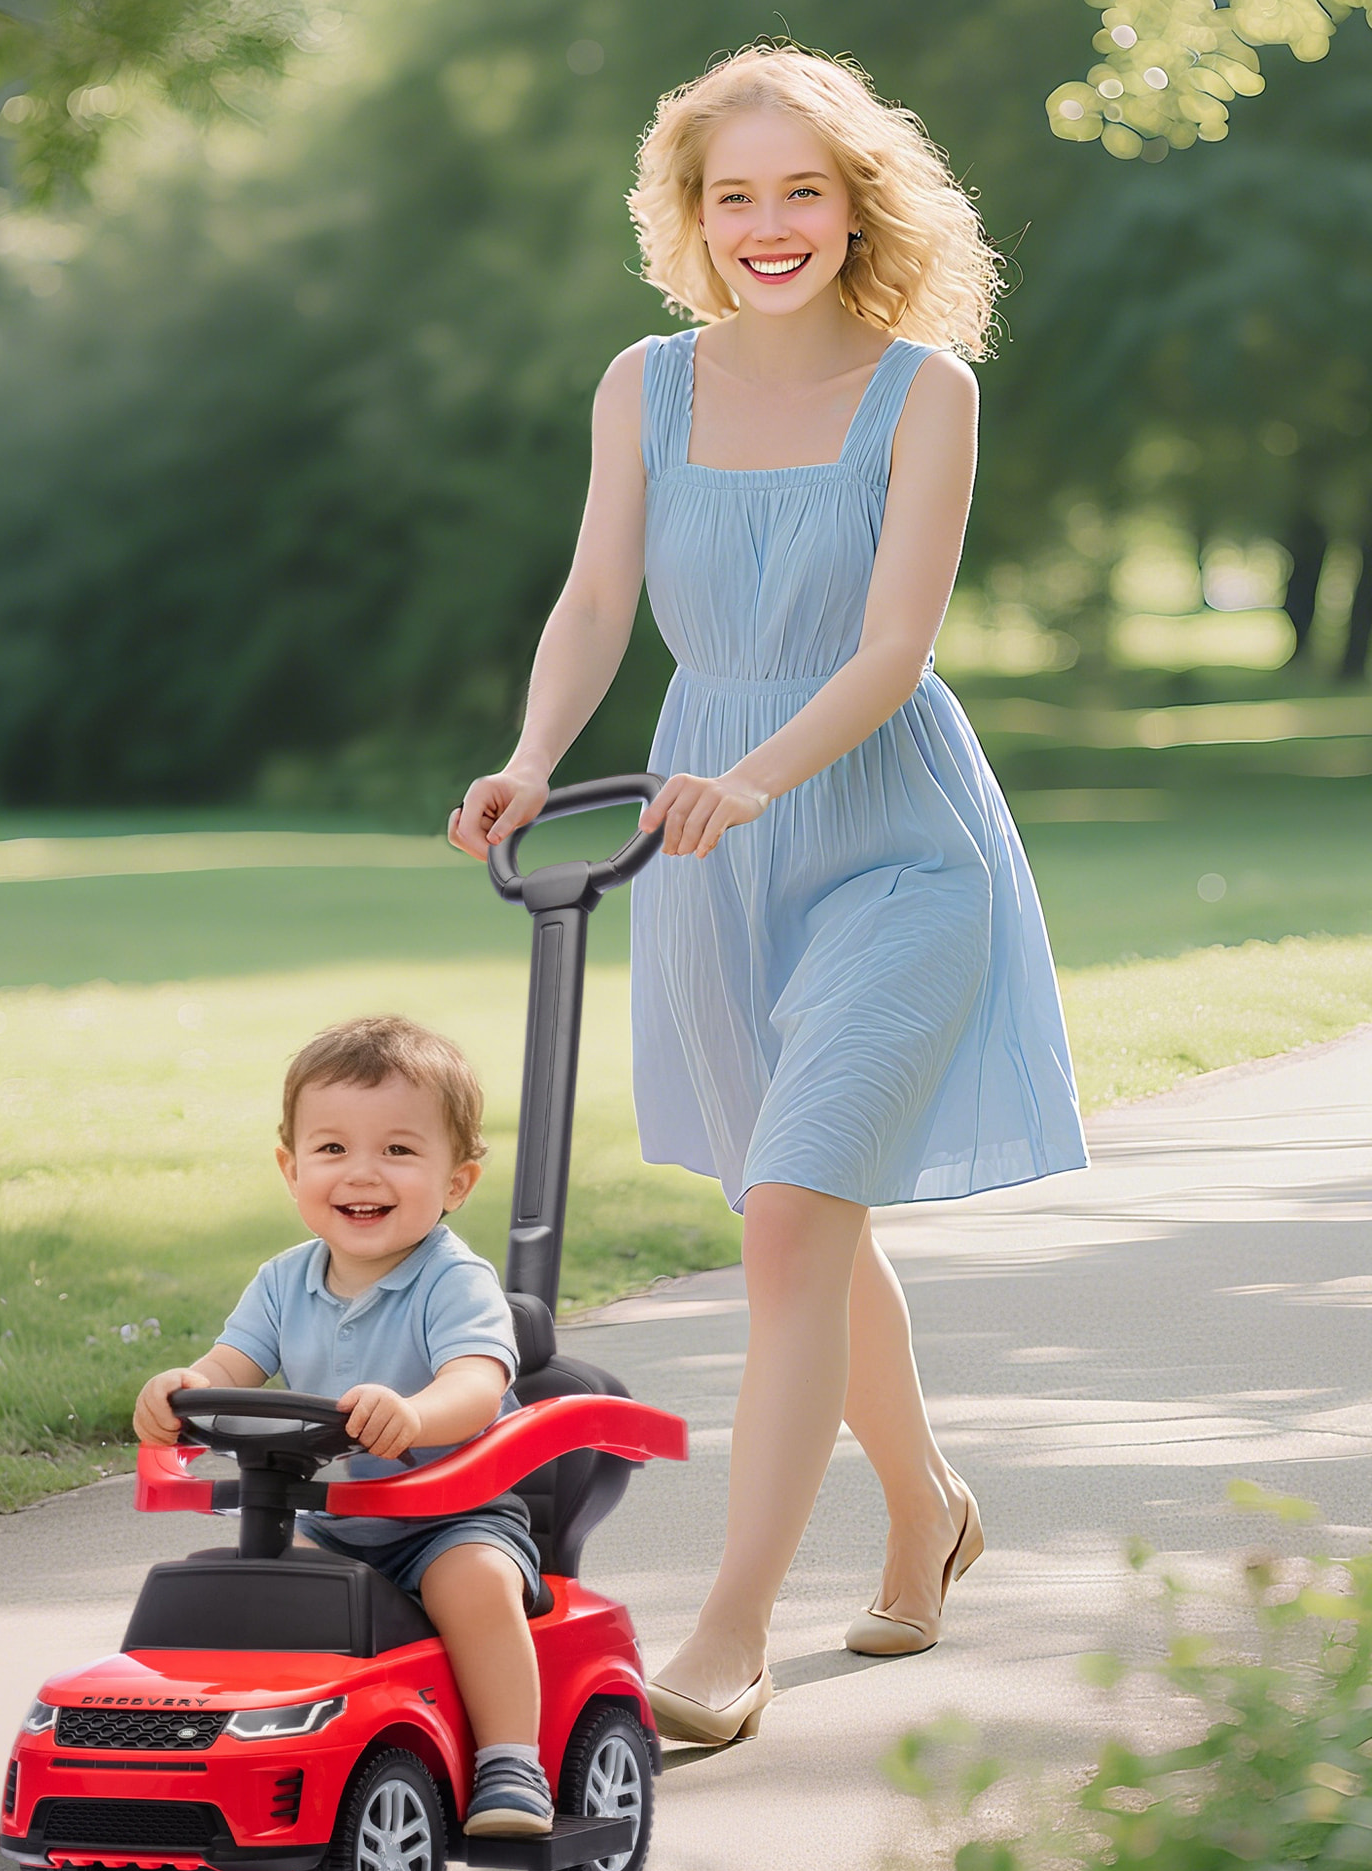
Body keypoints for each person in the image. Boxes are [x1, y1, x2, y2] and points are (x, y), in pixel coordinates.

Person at [449, 43, 1087, 1747]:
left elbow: (895, 649)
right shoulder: (647, 384)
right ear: (693, 216)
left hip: (886, 837)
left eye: (800, 188)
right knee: (796, 1217)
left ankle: (730, 1636)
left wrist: (758, 775)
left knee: (799, 1211)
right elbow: (594, 600)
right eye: (734, 195)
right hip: (708, 843)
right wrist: (528, 752)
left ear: (858, 200)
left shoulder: (924, 391)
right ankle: (929, 1504)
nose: (768, 224)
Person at [134, 1014, 555, 1836]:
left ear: (457, 1181)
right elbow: (230, 1369)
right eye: (332, 1150)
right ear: (292, 1170)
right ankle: (229, 1749)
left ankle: (512, 1762)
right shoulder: (281, 1281)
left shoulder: (454, 1281)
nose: (363, 1173)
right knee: (240, 1580)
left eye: (399, 1150)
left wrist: (414, 1414)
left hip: (448, 1514)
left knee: (470, 1582)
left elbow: (477, 1383)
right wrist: (183, 1390)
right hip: (328, 1516)